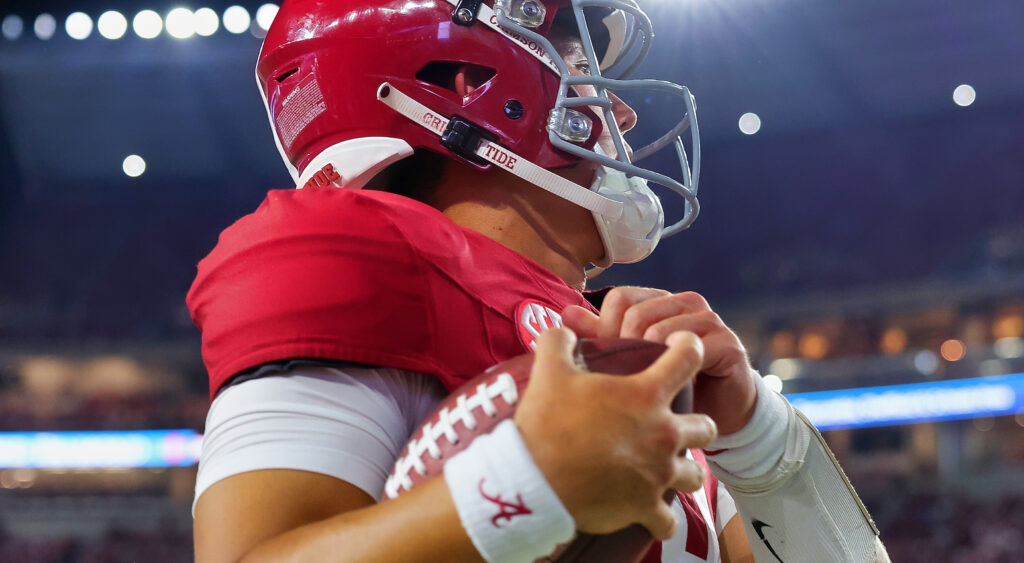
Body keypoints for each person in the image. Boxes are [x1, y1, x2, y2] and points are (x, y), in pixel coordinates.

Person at [187, 1, 889, 562]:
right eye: (581, 69)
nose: (622, 111)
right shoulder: (359, 250)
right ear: (472, 89)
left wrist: (759, 438)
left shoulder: (630, 346)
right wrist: (525, 487)